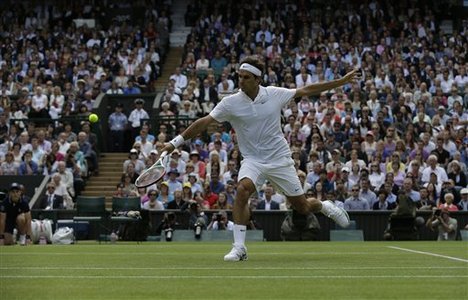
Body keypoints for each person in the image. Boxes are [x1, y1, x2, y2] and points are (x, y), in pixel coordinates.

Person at [162, 56, 357, 261]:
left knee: (303, 207)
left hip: (280, 159)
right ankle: (239, 248)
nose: (241, 80)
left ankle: (325, 206)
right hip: (253, 161)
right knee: (242, 190)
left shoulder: (274, 94)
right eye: (239, 76)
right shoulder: (230, 102)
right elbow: (204, 122)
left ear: (257, 79)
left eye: (246, 77)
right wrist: (174, 143)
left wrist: (341, 81)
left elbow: (307, 90)